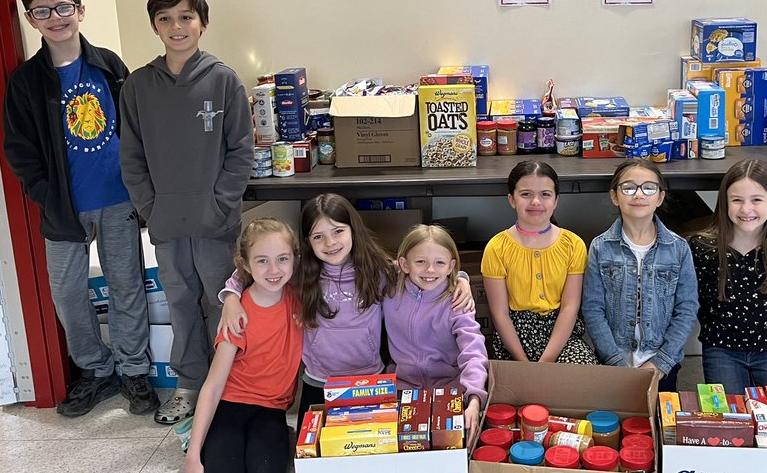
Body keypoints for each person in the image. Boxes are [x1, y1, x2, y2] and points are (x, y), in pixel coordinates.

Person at [1, 0, 158, 417]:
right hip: (65, 208)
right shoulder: (27, 82)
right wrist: (46, 194)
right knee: (68, 293)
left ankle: (133, 370)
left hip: (118, 199)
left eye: (63, 7)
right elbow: (20, 149)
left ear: (80, 11)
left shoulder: (109, 65)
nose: (56, 17)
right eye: (43, 10)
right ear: (32, 20)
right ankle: (96, 370)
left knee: (126, 285)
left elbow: (136, 127)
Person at [218, 195, 474, 431]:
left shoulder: (379, 271)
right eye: (318, 236)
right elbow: (251, 270)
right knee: (312, 453)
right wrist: (230, 295)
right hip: (319, 381)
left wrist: (460, 279)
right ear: (307, 241)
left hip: (369, 379)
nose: (330, 243)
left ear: (353, 230)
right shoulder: (300, 272)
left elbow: (424, 270)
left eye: (338, 231)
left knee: (367, 451)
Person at [119, 0, 253, 425]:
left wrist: (221, 204)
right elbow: (132, 156)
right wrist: (149, 208)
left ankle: (229, 384)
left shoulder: (224, 80)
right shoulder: (138, 86)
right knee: (180, 302)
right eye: (166, 18)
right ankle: (189, 385)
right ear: (155, 26)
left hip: (215, 221)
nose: (177, 26)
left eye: (186, 17)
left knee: (223, 302)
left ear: (203, 23)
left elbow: (241, 152)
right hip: (166, 220)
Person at [183, 218, 302, 473]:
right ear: (246, 265)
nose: (274, 270)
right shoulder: (237, 313)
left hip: (271, 407)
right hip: (230, 402)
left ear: (294, 260)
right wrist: (193, 457)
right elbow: (212, 386)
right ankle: (197, 434)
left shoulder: (301, 300)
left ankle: (266, 438)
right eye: (262, 261)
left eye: (282, 259)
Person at [582, 160, 698, 391]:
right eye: (628, 187)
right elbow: (592, 309)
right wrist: (615, 360)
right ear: (615, 196)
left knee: (658, 422)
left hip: (663, 362)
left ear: (660, 197)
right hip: (613, 360)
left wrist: (662, 362)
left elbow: (686, 309)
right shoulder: (600, 247)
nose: (638, 194)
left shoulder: (678, 248)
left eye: (648, 187)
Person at [690, 158, 767, 395]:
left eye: (757, 200)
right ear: (724, 202)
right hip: (722, 349)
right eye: (737, 200)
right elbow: (700, 302)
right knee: (732, 421)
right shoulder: (703, 246)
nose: (746, 209)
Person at [482, 160, 597, 364]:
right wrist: (526, 365)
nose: (536, 202)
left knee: (580, 373)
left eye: (545, 194)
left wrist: (545, 363)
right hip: (514, 339)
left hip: (561, 336)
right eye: (526, 194)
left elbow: (570, 308)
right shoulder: (497, 247)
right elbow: (499, 313)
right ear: (511, 199)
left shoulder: (573, 244)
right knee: (517, 391)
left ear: (556, 200)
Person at [386, 224, 489, 443]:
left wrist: (474, 398)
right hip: (402, 389)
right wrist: (462, 277)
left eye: (439, 263)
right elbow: (370, 265)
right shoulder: (389, 289)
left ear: (451, 266)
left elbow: (474, 350)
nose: (430, 270)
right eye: (420, 261)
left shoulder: (457, 302)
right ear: (404, 264)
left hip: (450, 390)